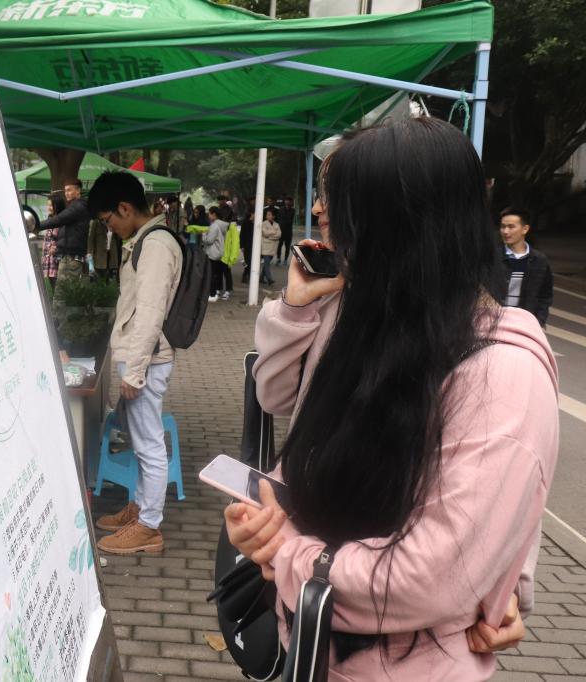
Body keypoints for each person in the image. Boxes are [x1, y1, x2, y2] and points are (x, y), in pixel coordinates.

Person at [226, 117, 557, 680]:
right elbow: (302, 440)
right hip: (311, 646)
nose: (324, 222)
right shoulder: (367, 320)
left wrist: (286, 552)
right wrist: (264, 522)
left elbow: (434, 571)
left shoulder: (503, 371)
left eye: (342, 213)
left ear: (400, 231)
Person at [88, 170, 182, 555]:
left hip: (147, 359)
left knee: (148, 444)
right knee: (142, 440)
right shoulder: (147, 240)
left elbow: (150, 313)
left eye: (108, 219)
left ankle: (148, 527)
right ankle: (141, 509)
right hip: (143, 357)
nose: (109, 228)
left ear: (125, 208)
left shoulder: (155, 245)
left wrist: (136, 371)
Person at [38, 179, 90, 307]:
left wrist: (36, 225)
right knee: (65, 292)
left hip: (70, 256)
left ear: (78, 191)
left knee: (62, 293)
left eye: (69, 190)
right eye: (65, 190)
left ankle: (59, 318)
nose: (66, 193)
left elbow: (59, 219)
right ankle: (66, 316)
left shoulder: (77, 207)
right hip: (68, 255)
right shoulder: (75, 207)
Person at [499, 207, 553, 327]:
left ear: (525, 229)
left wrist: (539, 322)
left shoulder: (539, 260)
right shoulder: (492, 257)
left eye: (511, 227)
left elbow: (545, 296)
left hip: (524, 324)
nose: (505, 231)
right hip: (494, 322)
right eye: (503, 226)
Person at [203, 206, 229, 302]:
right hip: (217, 253)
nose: (208, 215)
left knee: (211, 274)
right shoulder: (221, 225)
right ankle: (214, 293)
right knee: (215, 274)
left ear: (214, 214)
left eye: (209, 213)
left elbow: (209, 240)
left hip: (212, 253)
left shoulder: (214, 226)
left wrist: (204, 234)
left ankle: (212, 294)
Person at [40, 192, 64, 290]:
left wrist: (55, 247)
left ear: (57, 206)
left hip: (56, 259)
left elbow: (63, 238)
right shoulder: (50, 219)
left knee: (59, 287)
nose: (48, 208)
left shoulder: (62, 221)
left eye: (51, 205)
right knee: (53, 285)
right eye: (48, 205)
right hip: (48, 258)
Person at [259, 209, 279, 285]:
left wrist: (269, 236)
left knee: (266, 264)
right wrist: (273, 233)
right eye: (267, 214)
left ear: (273, 216)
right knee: (267, 263)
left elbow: (279, 234)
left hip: (273, 247)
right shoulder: (263, 223)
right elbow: (265, 233)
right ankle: (269, 279)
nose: (268, 216)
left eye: (269, 214)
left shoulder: (276, 224)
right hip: (265, 246)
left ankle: (261, 278)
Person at [275, 197, 295, 265]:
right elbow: (278, 218)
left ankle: (285, 260)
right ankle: (278, 259)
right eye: (286, 200)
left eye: (289, 201)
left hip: (288, 231)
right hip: (281, 230)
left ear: (291, 202)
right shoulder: (281, 209)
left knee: (287, 246)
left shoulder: (293, 210)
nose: (287, 202)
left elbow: (291, 219)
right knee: (279, 245)